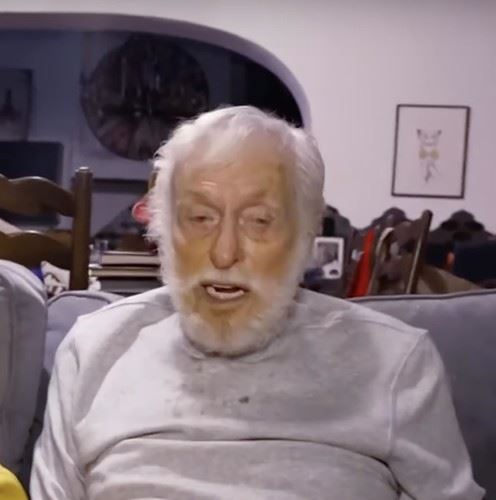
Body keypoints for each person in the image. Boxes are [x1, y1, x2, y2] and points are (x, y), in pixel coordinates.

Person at [31, 106, 484, 499]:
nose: (224, 252)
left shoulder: (397, 364)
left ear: (306, 234)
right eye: (201, 218)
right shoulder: (93, 350)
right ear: (163, 230)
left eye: (259, 221)